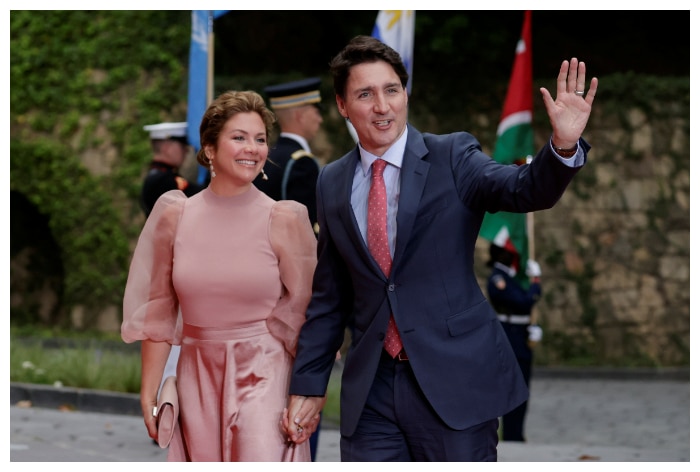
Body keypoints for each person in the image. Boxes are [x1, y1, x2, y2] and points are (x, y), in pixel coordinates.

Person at [283, 35, 598, 461]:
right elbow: (329, 297)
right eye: (365, 94)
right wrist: (308, 384)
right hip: (371, 390)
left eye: (392, 90)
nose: (382, 106)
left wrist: (561, 147)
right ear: (342, 105)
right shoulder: (331, 181)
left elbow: (522, 190)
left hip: (455, 383)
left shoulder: (452, 155)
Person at [122, 90, 317, 461]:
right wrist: (149, 391)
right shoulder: (174, 215)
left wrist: (308, 392)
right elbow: (160, 311)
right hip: (197, 375)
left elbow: (305, 314)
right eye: (239, 137)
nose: (253, 147)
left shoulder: (285, 219)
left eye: (260, 139)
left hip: (265, 373)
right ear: (210, 148)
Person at [486, 243, 543, 442]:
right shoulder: (498, 279)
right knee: (514, 388)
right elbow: (523, 302)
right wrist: (536, 281)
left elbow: (524, 308)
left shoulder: (509, 277)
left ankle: (516, 433)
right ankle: (511, 435)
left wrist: (532, 328)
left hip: (519, 334)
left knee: (522, 388)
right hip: (511, 337)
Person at [254, 77, 323, 234]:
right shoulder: (302, 162)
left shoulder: (267, 155)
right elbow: (306, 227)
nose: (320, 119)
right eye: (316, 112)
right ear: (300, 116)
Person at [140, 122, 203, 216]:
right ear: (167, 148)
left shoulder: (157, 176)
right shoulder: (164, 181)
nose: (186, 151)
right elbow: (201, 197)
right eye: (182, 146)